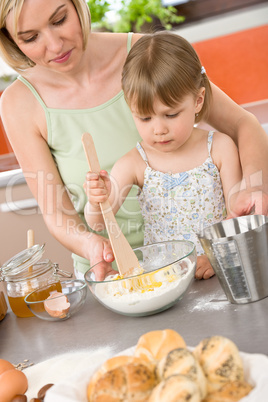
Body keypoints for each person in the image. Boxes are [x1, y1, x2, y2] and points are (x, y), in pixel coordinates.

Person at [0, 0, 267, 281]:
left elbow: (244, 125)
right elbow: (58, 214)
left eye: (60, 20)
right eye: (30, 37)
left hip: (205, 262)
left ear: (78, 6)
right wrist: (91, 245)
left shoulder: (144, 56)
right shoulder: (19, 103)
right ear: (9, 39)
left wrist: (251, 192)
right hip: (113, 274)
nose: (55, 45)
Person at [84, 31, 242, 279]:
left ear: (198, 100)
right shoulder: (134, 164)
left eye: (170, 115)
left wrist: (215, 256)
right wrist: (96, 202)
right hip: (161, 283)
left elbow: (238, 221)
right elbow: (99, 223)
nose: (159, 129)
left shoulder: (220, 149)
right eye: (144, 118)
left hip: (219, 276)